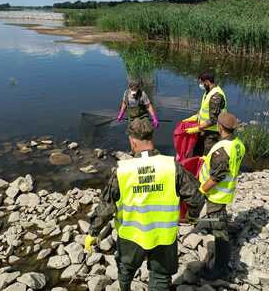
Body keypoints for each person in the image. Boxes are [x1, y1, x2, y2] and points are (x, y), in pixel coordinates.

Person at [84, 118, 205, 291]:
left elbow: (107, 205)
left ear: (132, 141)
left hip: (131, 236)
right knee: (161, 277)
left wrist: (93, 232)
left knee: (126, 269)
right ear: (151, 137)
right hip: (163, 236)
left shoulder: (123, 170)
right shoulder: (171, 166)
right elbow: (196, 197)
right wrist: (192, 216)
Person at [197, 112, 245, 280]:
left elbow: (217, 176)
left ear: (220, 127)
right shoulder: (238, 144)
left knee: (220, 233)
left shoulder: (221, 149)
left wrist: (202, 190)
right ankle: (222, 224)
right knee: (218, 218)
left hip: (216, 195)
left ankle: (220, 269)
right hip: (226, 193)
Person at [183, 71, 227, 155]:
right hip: (204, 129)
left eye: (201, 82)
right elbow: (204, 110)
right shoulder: (208, 92)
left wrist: (197, 128)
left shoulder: (216, 96)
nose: (201, 85)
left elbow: (213, 119)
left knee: (207, 156)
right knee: (196, 152)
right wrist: (195, 117)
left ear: (207, 82)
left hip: (212, 133)